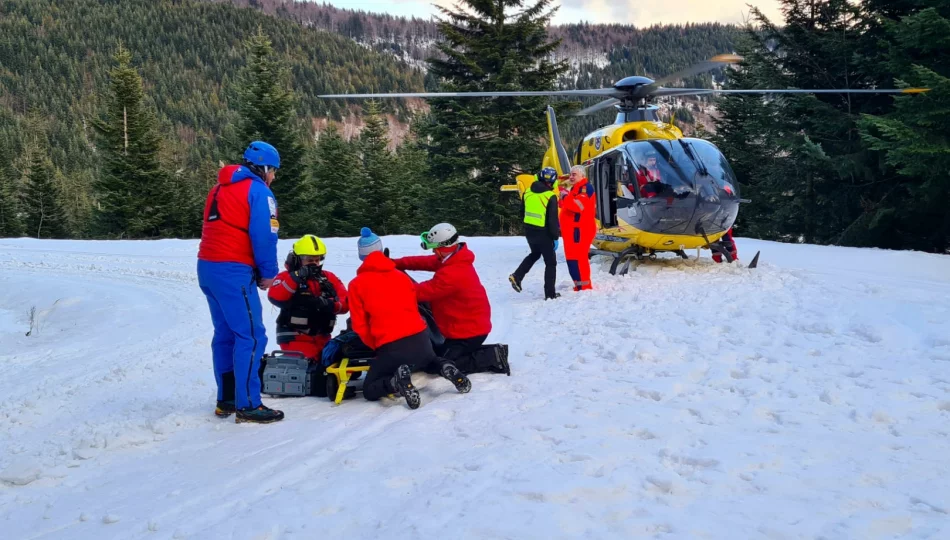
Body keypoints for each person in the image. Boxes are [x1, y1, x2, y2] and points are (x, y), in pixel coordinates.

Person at [197, 141, 284, 424]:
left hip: (207, 268)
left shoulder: (218, 188)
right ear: (265, 168)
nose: (274, 177)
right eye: (274, 172)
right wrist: (268, 273)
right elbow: (265, 236)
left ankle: (228, 399)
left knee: (225, 335)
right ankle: (248, 405)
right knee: (250, 335)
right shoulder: (260, 192)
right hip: (233, 271)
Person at [348, 227, 471, 410]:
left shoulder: (356, 285)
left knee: (369, 389)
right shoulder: (401, 277)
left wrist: (377, 346)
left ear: (361, 257)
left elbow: (359, 325)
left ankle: (395, 382)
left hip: (392, 347)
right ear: (382, 251)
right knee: (429, 361)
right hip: (421, 341)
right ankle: (444, 366)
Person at [392, 223, 507, 374]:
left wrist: (389, 292)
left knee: (437, 365)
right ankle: (476, 351)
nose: (433, 251)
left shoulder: (453, 272)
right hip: (466, 325)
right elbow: (424, 261)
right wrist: (395, 263)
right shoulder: (454, 258)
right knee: (439, 354)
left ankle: (493, 357)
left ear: (444, 247)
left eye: (435, 247)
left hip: (469, 332)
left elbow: (420, 292)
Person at [267, 235, 348, 360]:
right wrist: (295, 278)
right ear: (297, 259)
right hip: (295, 338)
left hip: (323, 338)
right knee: (310, 370)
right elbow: (275, 296)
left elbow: (346, 302)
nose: (314, 263)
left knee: (341, 363)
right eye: (309, 260)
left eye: (317, 260)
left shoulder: (328, 278)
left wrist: (330, 304)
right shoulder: (285, 277)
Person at [509, 167, 560, 300]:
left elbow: (522, 212)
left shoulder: (527, 192)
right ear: (554, 182)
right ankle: (550, 294)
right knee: (551, 263)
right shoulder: (550, 196)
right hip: (544, 233)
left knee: (535, 254)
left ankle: (517, 276)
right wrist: (555, 237)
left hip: (529, 231)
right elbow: (552, 220)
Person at [559, 164, 597, 291]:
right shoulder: (575, 189)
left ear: (582, 175)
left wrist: (565, 196)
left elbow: (578, 206)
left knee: (580, 257)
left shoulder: (586, 188)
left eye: (574, 174)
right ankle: (578, 284)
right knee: (571, 258)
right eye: (570, 174)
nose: (571, 177)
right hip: (571, 231)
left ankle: (585, 286)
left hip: (581, 230)